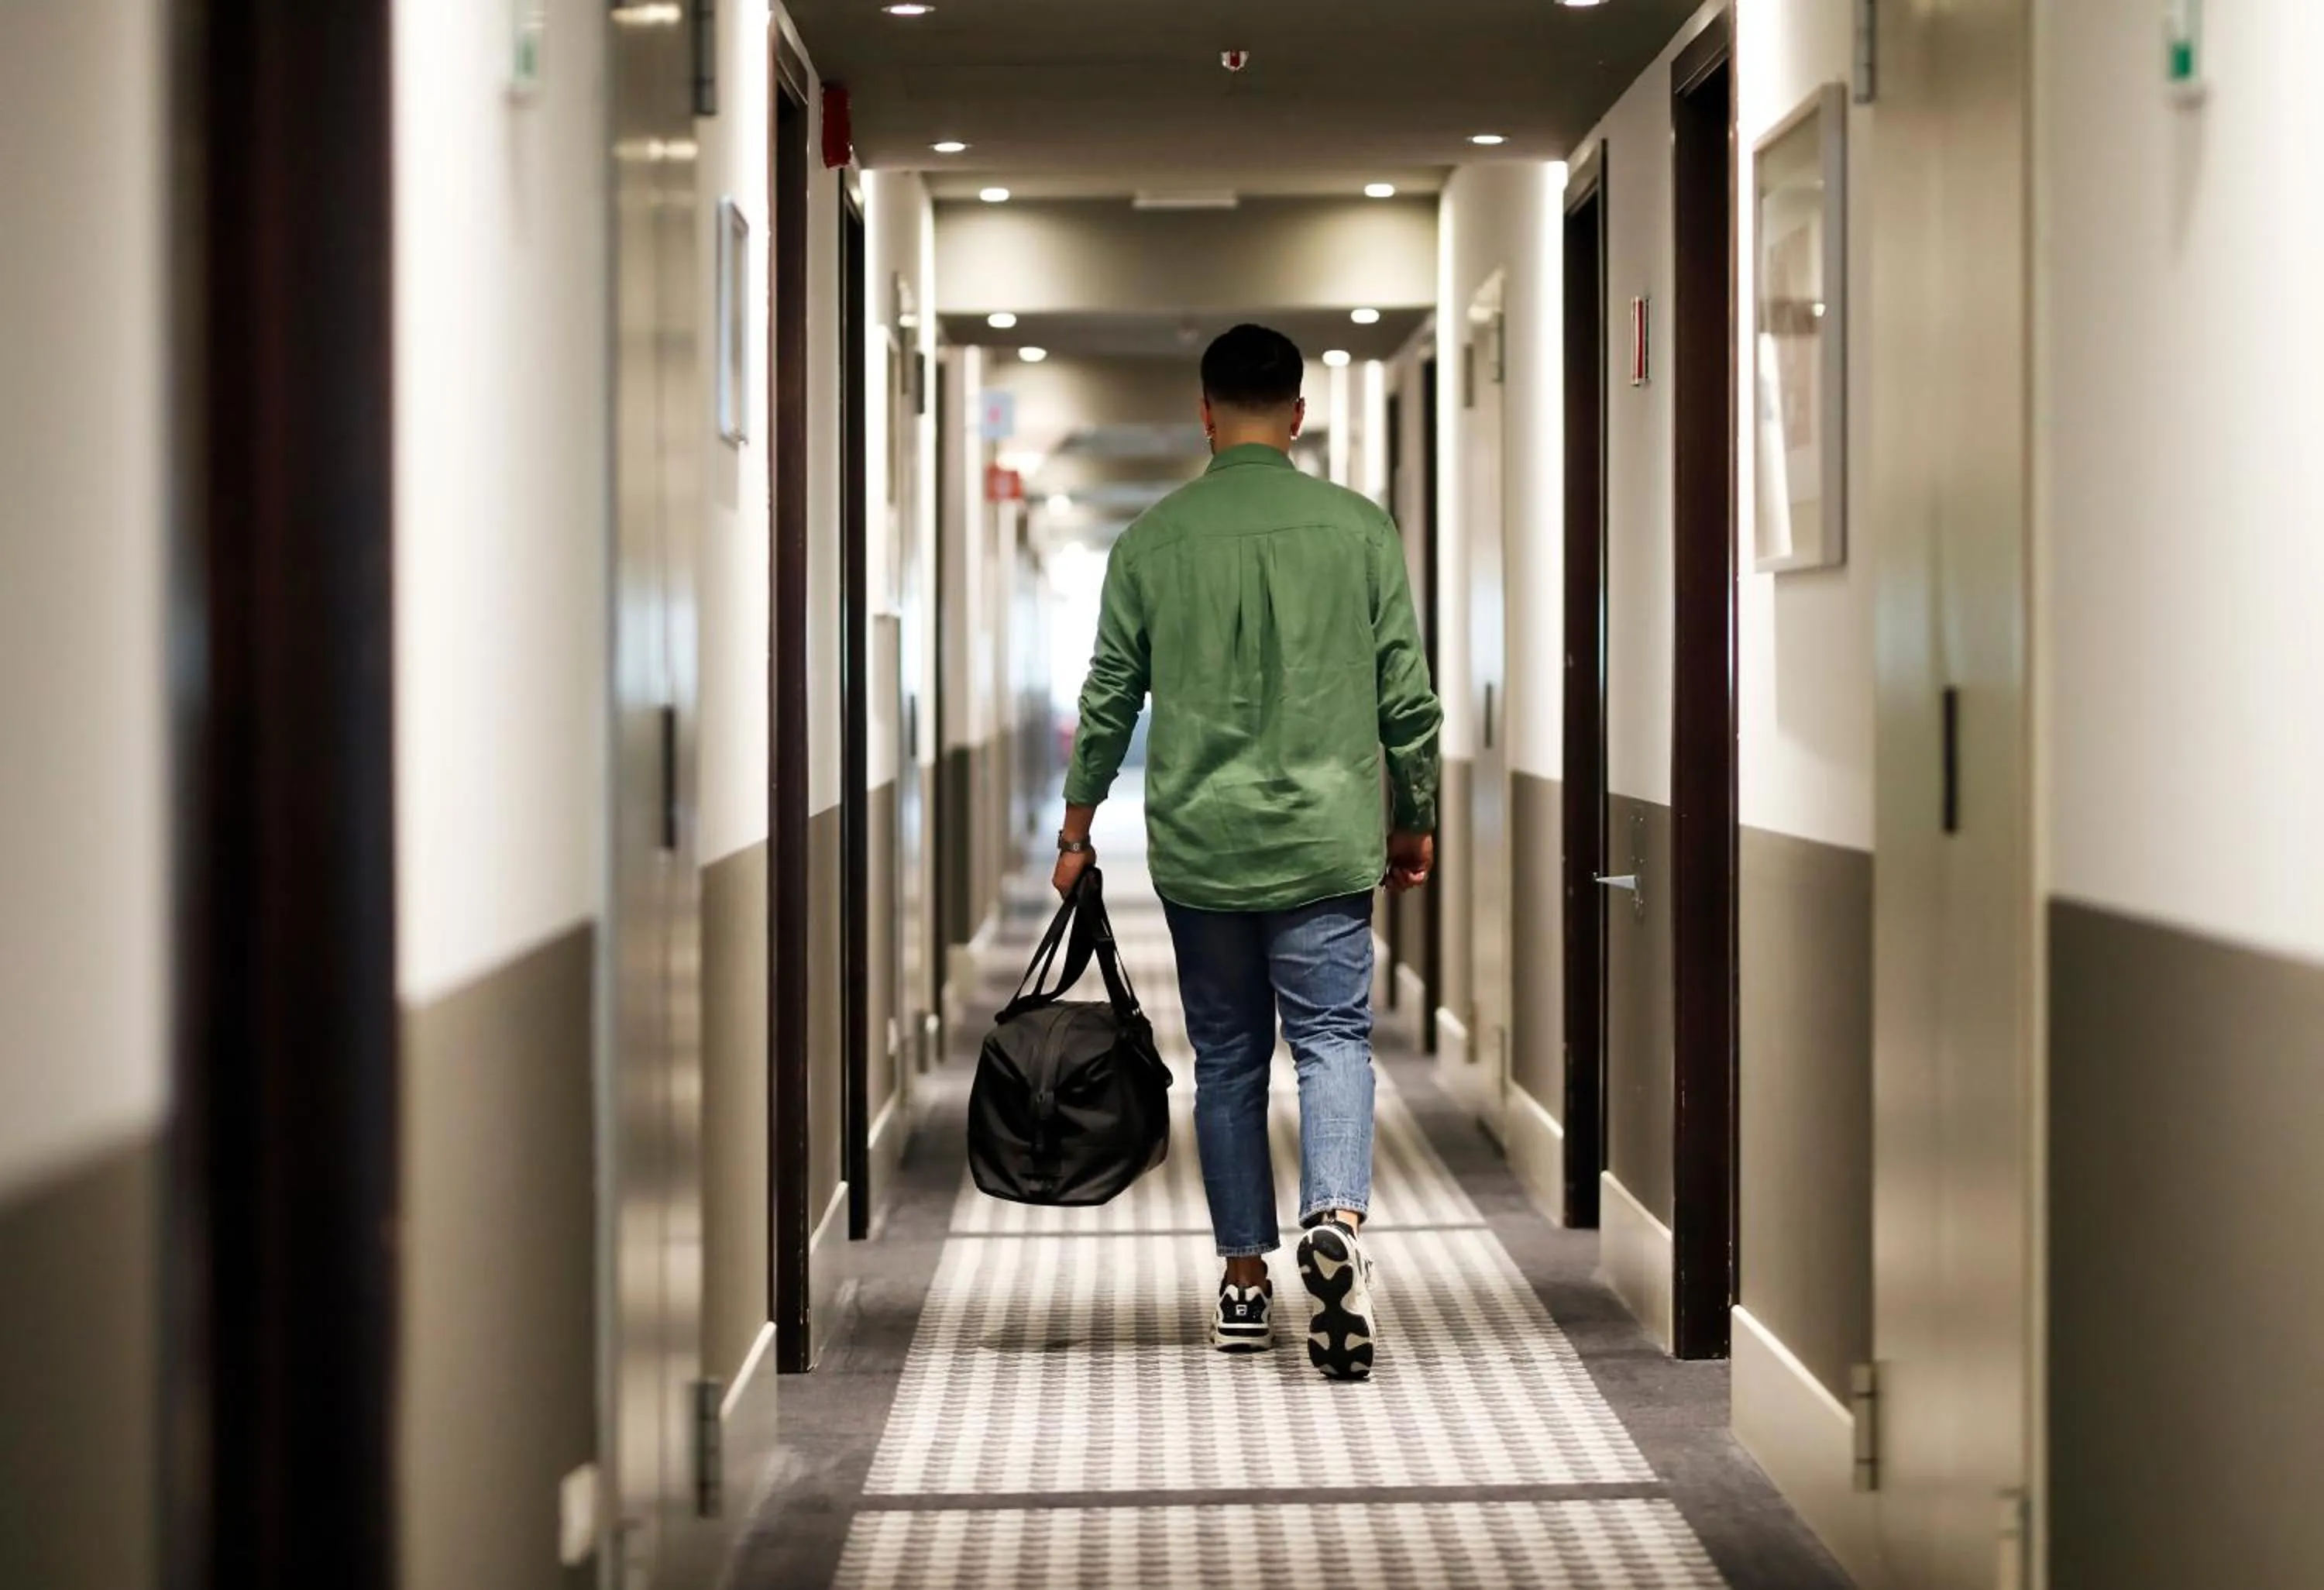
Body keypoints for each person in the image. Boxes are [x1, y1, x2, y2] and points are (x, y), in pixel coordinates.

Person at [1051, 323, 1442, 1381]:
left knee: (1227, 1062)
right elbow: (1407, 695)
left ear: (1206, 413)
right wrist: (1415, 814)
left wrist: (1079, 825)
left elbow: (1108, 697)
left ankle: (1241, 1282)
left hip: (1204, 843)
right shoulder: (1361, 531)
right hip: (1324, 840)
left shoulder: (1153, 542)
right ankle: (1338, 1219)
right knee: (1332, 1040)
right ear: (1299, 416)